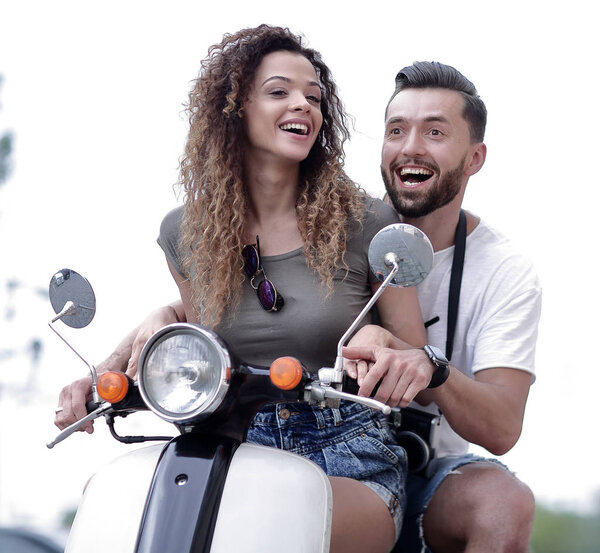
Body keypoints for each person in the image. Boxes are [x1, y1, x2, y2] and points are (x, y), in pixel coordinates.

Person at [54, 25, 427, 553]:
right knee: (116, 513)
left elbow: (417, 358)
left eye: (314, 96)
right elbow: (204, 338)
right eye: (279, 91)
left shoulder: (367, 221)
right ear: (234, 109)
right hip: (222, 447)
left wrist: (393, 352)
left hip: (347, 452)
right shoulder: (185, 233)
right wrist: (118, 360)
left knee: (267, 532)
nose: (302, 103)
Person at [343, 61, 542, 553]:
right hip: (319, 459)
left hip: (426, 474)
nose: (411, 147)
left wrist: (432, 368)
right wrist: (166, 317)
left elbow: (500, 427)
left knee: (504, 502)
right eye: (396, 130)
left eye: (435, 131)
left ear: (475, 158)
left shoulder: (505, 270)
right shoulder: (337, 227)